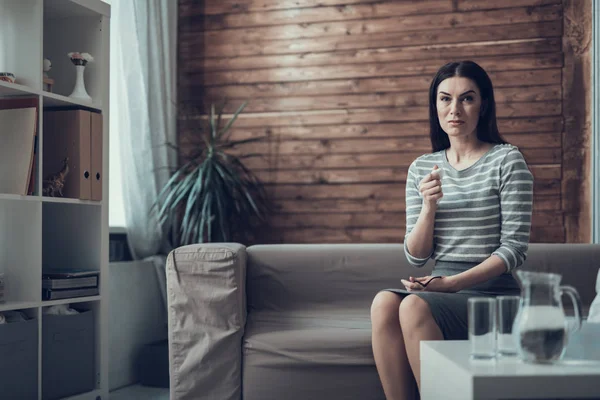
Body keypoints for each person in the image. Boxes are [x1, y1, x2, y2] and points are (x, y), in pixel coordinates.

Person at [370, 60, 534, 400]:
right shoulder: (421, 168)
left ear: (483, 104)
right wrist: (428, 207)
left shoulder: (507, 160)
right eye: (445, 99)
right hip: (440, 290)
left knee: (413, 307)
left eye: (467, 98)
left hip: (495, 297)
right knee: (384, 303)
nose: (454, 109)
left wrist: (452, 285)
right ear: (435, 106)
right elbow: (416, 257)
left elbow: (513, 250)